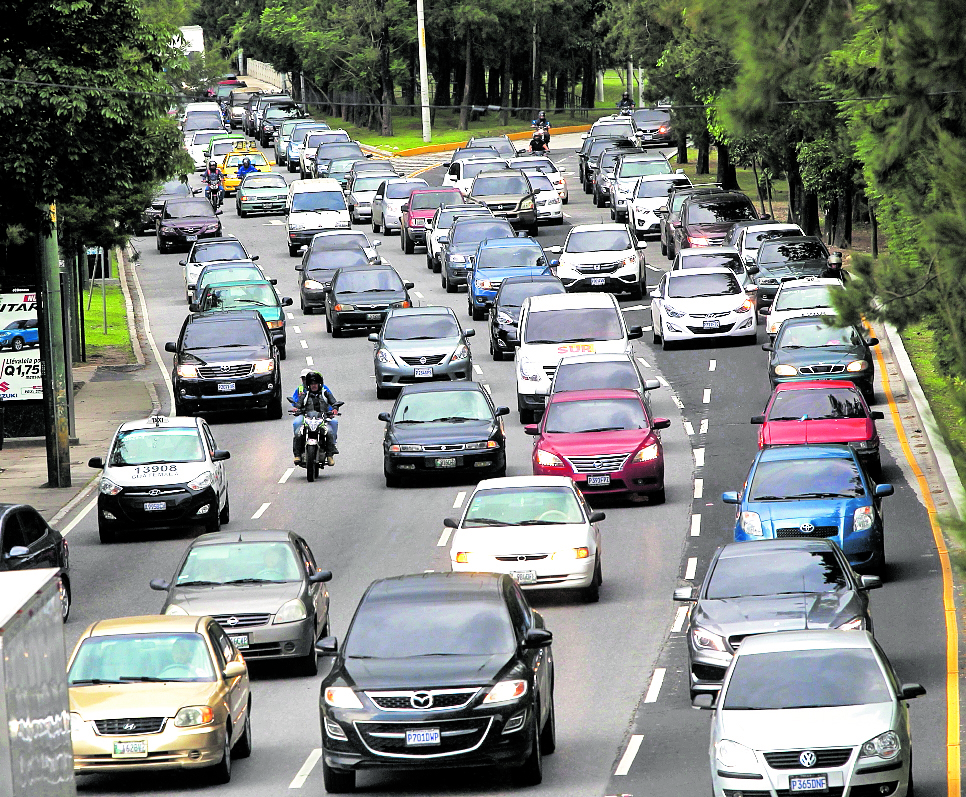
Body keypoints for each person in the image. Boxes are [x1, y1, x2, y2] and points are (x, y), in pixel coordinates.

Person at [291, 370, 339, 466]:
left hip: (322, 419)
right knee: (298, 433)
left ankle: (329, 455)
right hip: (308, 419)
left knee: (329, 432)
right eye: (312, 384)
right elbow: (299, 404)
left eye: (315, 383)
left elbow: (334, 402)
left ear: (319, 384)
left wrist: (334, 409)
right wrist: (296, 409)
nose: (314, 385)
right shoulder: (305, 395)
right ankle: (297, 455)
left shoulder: (325, 393)